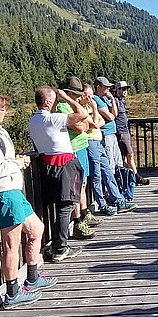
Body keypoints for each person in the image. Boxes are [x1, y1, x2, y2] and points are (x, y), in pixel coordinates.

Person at [0, 91, 57, 309]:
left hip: (12, 190)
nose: (5, 111)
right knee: (11, 244)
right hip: (3, 192)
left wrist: (16, 161)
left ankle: (33, 277)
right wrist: (17, 162)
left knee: (36, 229)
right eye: (2, 108)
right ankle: (12, 292)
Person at [29, 86, 88, 262]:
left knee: (58, 206)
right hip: (64, 165)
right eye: (55, 99)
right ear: (47, 102)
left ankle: (56, 243)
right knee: (66, 206)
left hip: (47, 165)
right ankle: (60, 247)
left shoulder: (34, 120)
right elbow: (83, 114)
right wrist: (67, 98)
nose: (57, 102)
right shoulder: (53, 119)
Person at [55, 77, 98, 239]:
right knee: (75, 187)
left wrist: (84, 122)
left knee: (83, 183)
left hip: (82, 147)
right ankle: (78, 221)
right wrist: (84, 122)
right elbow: (81, 127)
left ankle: (84, 214)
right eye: (76, 94)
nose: (80, 97)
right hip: (72, 149)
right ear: (69, 93)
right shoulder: (62, 106)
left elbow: (90, 123)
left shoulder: (73, 105)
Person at [83, 84, 136, 216]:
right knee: (96, 174)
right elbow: (97, 122)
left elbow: (101, 120)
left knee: (108, 171)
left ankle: (118, 200)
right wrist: (95, 116)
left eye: (91, 95)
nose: (91, 98)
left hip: (98, 140)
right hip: (90, 142)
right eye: (87, 95)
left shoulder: (91, 106)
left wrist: (95, 118)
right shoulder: (82, 109)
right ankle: (103, 204)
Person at [113, 81, 150, 185]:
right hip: (121, 133)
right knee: (129, 155)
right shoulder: (115, 101)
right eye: (123, 89)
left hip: (125, 132)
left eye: (126, 89)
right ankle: (135, 177)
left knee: (125, 157)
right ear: (117, 90)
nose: (125, 91)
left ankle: (128, 177)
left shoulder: (121, 101)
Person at [93, 76, 124, 171]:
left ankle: (118, 182)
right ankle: (109, 184)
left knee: (118, 161)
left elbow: (115, 114)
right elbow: (110, 117)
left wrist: (112, 98)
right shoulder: (96, 99)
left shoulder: (105, 99)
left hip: (112, 133)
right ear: (98, 87)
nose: (108, 89)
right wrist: (111, 115)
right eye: (106, 86)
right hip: (106, 134)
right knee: (110, 161)